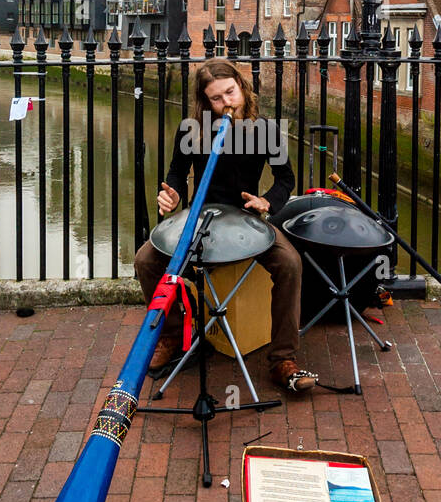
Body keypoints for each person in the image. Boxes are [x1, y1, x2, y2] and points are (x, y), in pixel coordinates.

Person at [133, 59, 319, 394]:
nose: (226, 103)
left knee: (290, 263)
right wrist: (171, 193)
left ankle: (282, 359)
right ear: (206, 101)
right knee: (145, 260)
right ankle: (174, 334)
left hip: (247, 217)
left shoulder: (265, 130)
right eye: (216, 98)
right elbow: (176, 172)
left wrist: (267, 202)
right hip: (199, 216)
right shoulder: (193, 128)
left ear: (241, 86)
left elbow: (285, 180)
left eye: (230, 92)